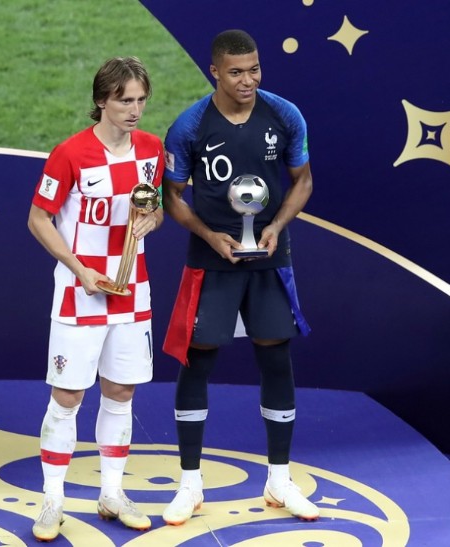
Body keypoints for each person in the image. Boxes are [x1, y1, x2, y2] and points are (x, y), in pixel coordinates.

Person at [160, 29, 317, 525]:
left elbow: (303, 180)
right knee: (198, 360)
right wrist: (210, 236)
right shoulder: (189, 127)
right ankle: (190, 484)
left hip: (270, 258)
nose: (247, 80)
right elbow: (173, 196)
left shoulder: (285, 115)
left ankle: (279, 479)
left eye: (254, 69)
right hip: (212, 262)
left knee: (276, 356)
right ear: (214, 72)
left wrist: (274, 226)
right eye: (236, 72)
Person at [27, 56, 164, 541]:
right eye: (125, 100)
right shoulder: (69, 154)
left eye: (141, 100)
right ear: (101, 101)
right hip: (80, 294)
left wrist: (153, 220)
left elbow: (153, 208)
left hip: (133, 291)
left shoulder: (152, 150)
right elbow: (38, 218)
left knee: (121, 392)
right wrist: (80, 269)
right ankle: (52, 501)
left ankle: (111, 493)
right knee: (67, 397)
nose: (134, 110)